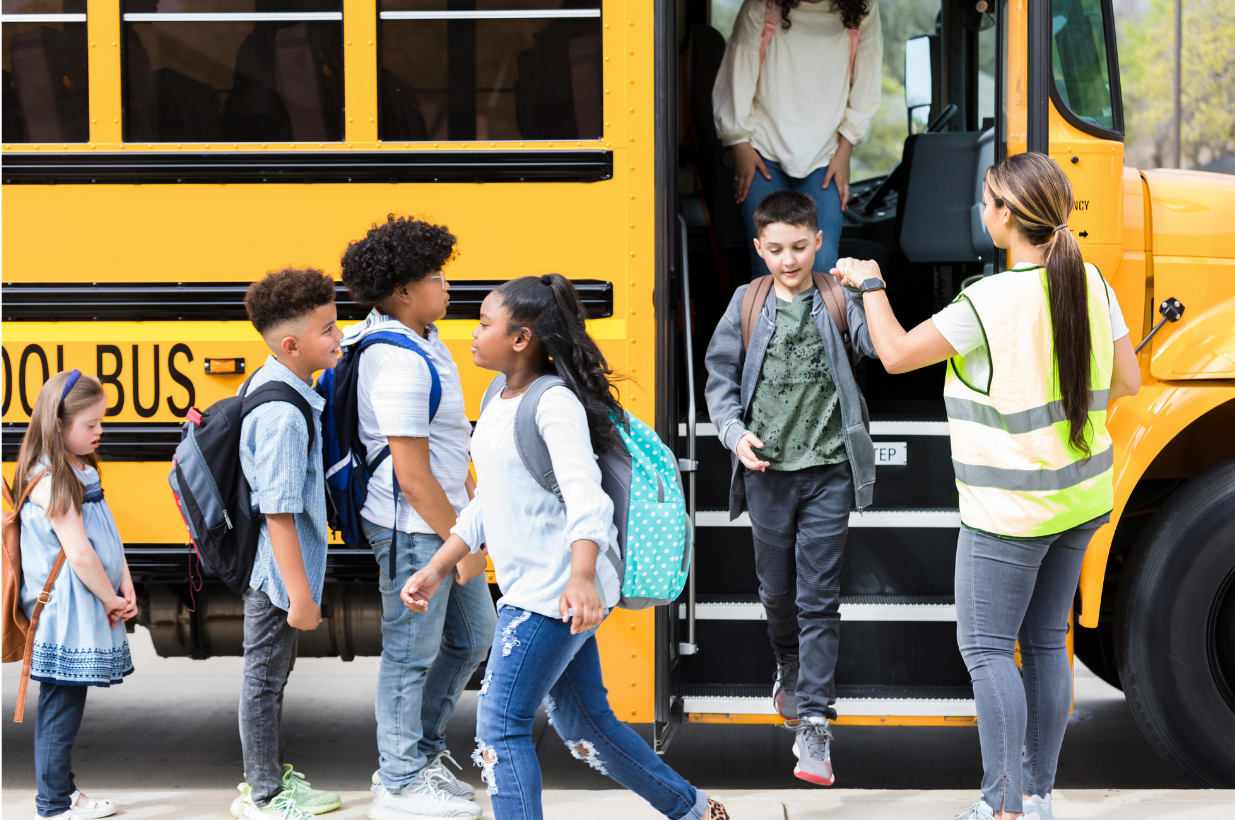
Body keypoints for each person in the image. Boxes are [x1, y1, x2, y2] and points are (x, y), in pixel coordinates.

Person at [829, 152, 1141, 820]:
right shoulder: (1090, 282)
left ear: (1005, 217)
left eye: (987, 200)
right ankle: (1035, 797)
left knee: (988, 649)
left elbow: (894, 354)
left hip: (1007, 511)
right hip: (1079, 499)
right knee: (1043, 644)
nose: (980, 209)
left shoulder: (986, 301)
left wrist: (870, 281)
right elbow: (1128, 381)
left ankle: (1000, 807)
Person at [401, 275, 729, 820]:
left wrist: (580, 577)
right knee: (586, 725)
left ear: (522, 337)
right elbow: (489, 502)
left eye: (485, 324)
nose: (473, 334)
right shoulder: (499, 398)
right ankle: (695, 810)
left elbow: (588, 500)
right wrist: (440, 566)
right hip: (544, 590)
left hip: (551, 594)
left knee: (500, 731)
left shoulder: (554, 404)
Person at [703, 190, 879, 785]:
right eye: (775, 249)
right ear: (759, 248)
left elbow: (874, 347)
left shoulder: (836, 297)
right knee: (776, 590)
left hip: (829, 470)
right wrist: (732, 433)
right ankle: (787, 661)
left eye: (800, 247)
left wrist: (867, 290)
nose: (788, 260)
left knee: (818, 597)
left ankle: (815, 726)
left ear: (818, 242)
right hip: (767, 474)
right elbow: (720, 375)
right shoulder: (745, 302)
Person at [337, 216, 494, 820]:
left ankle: (418, 757)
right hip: (412, 529)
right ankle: (400, 781)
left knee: (473, 635)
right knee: (409, 653)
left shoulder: (422, 338)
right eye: (436, 277)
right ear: (403, 291)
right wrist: (466, 539)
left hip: (441, 520)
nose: (448, 286)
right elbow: (413, 475)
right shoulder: (398, 362)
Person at [231, 268, 345, 820]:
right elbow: (278, 509)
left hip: (274, 567)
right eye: (328, 329)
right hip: (275, 573)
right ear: (292, 345)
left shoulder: (278, 382)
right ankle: (265, 794)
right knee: (264, 680)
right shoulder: (284, 413)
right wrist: (300, 595)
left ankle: (269, 778)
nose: (339, 336)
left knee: (269, 678)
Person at [11, 370, 137, 820]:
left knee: (66, 699)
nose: (100, 431)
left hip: (86, 599)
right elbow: (80, 553)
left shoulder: (78, 465)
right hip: (66, 607)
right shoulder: (50, 476)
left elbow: (106, 531)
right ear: (59, 424)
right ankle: (52, 805)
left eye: (102, 422)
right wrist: (109, 597)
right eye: (92, 424)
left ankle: (65, 792)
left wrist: (124, 580)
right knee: (60, 703)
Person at [713, 0, 882, 279]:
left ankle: (813, 326)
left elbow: (866, 83)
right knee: (769, 269)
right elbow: (737, 75)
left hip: (825, 156)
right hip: (762, 150)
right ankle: (768, 325)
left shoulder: (862, 8)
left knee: (823, 268)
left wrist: (845, 150)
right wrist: (740, 143)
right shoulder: (762, 6)